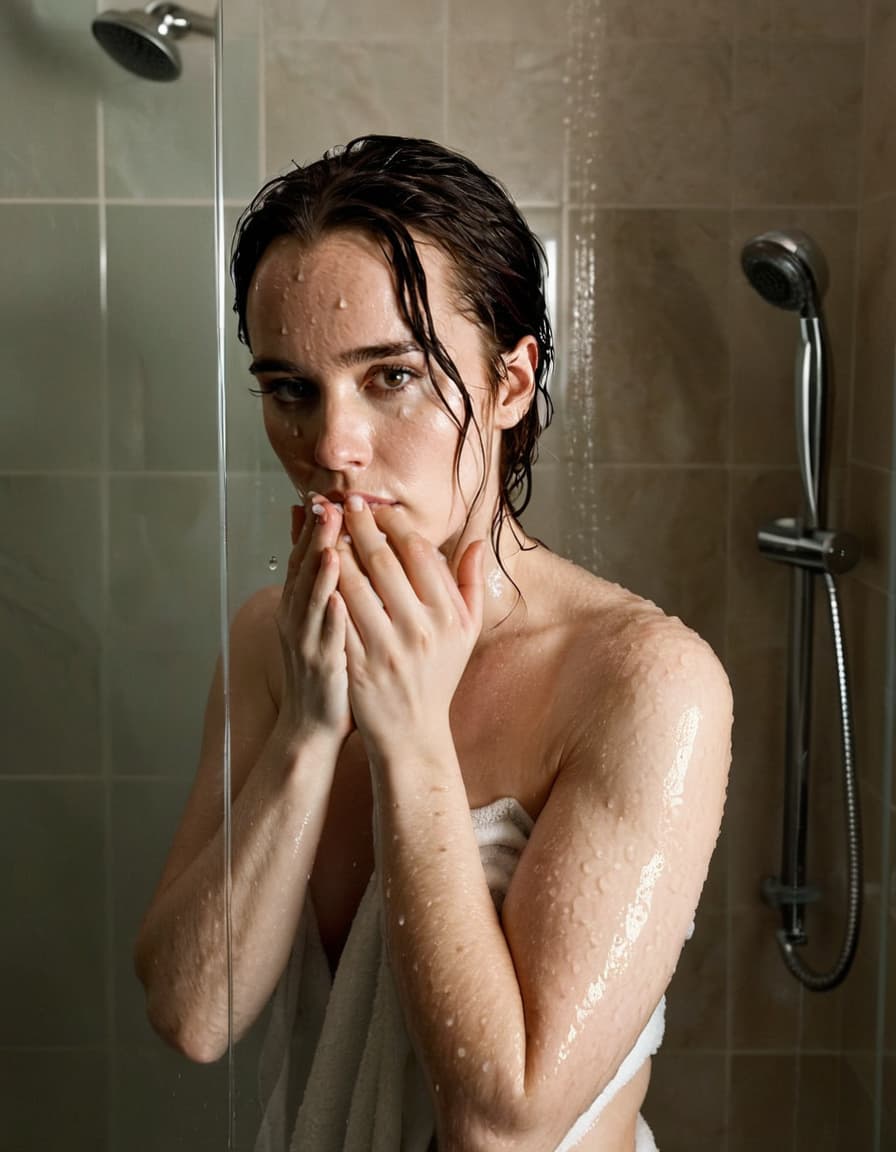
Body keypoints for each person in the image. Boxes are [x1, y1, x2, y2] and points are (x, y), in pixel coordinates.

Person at [134, 135, 732, 1152]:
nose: (330, 447)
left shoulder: (642, 681)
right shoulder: (273, 641)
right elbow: (193, 1015)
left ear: (510, 384)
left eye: (392, 376)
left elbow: (502, 1127)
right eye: (290, 389)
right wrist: (308, 731)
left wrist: (409, 737)